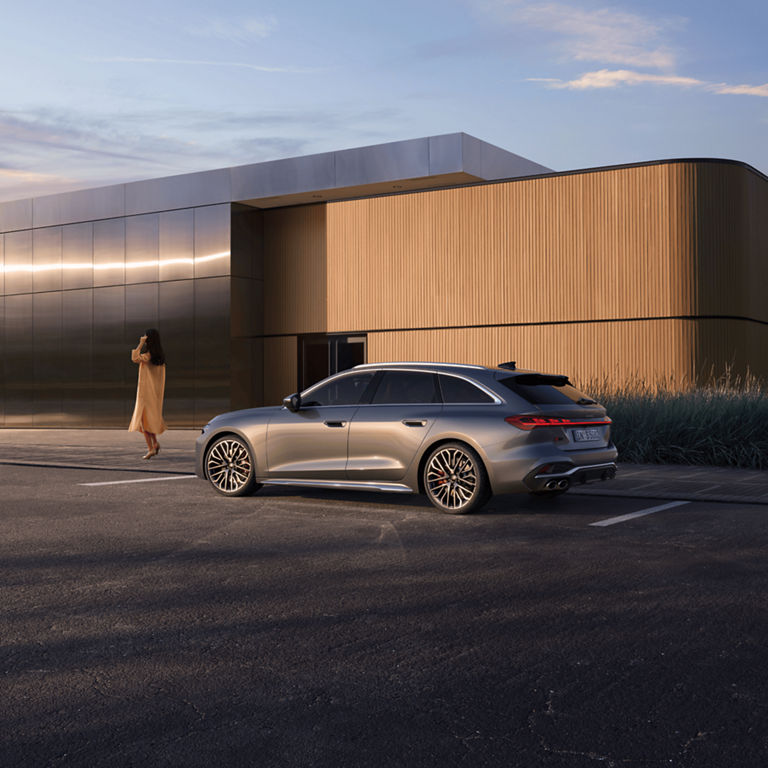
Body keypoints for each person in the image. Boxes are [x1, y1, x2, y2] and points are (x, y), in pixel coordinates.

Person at [128, 328, 167, 459]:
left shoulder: (147, 356)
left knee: (143, 422)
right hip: (154, 395)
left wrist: (140, 343)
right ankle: (155, 444)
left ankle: (150, 448)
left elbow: (134, 358)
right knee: (148, 421)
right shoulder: (160, 358)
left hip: (145, 394)